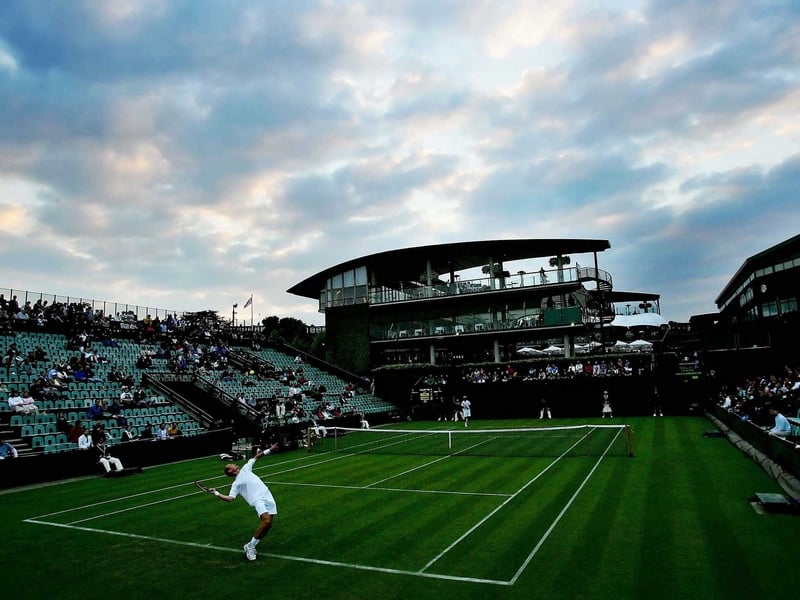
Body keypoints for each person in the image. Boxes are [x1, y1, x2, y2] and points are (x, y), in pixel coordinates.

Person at [206, 444, 280, 561]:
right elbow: (230, 498)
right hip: (258, 500)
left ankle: (250, 545)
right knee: (266, 521)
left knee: (268, 525)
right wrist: (216, 493)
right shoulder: (236, 484)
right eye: (232, 465)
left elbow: (256, 457)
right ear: (230, 471)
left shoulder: (246, 468)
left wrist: (269, 450)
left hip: (267, 496)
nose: (235, 464)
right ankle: (250, 547)